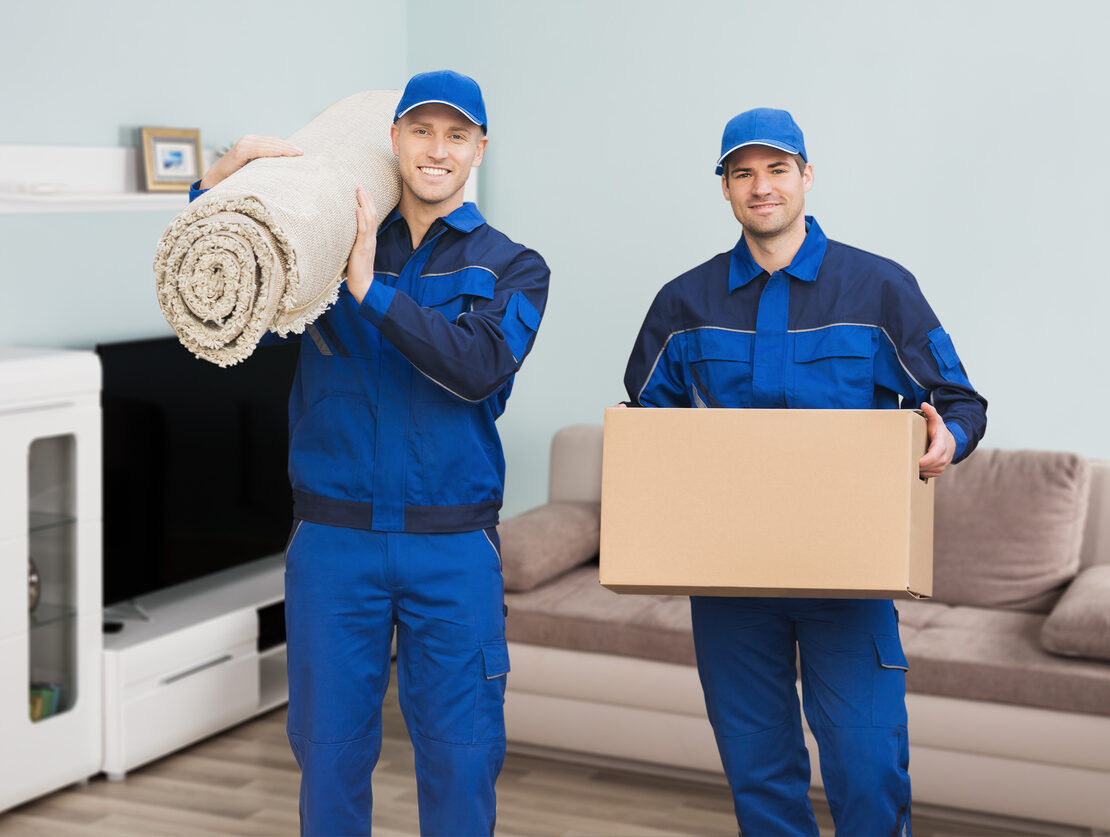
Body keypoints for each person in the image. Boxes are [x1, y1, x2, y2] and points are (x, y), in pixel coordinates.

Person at [192, 70, 550, 836]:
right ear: (393, 141)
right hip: (333, 543)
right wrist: (208, 193)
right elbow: (232, 283)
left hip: (452, 548)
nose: (437, 149)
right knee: (327, 759)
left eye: (457, 134)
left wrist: (371, 291)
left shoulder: (515, 268)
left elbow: (477, 364)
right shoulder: (327, 240)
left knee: (461, 759)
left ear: (479, 149)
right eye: (421, 130)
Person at [622, 108, 987, 836]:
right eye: (743, 172)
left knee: (869, 766)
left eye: (777, 169)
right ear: (724, 188)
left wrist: (949, 441)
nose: (761, 186)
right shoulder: (683, 304)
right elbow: (644, 428)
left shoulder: (880, 288)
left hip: (848, 576)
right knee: (760, 776)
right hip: (731, 581)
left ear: (806, 176)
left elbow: (957, 401)